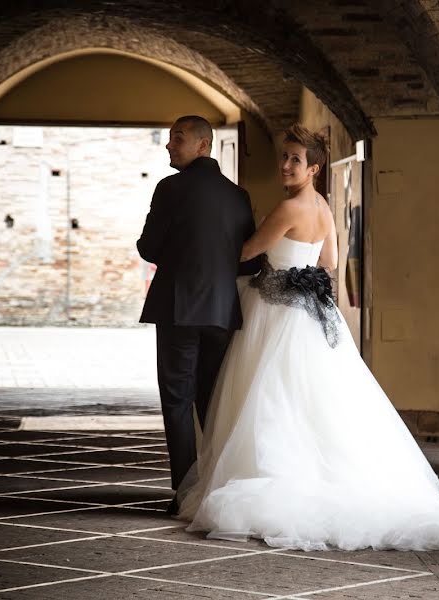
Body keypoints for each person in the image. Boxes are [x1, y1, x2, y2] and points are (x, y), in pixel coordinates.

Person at [175, 124, 439, 551]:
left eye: (296, 160)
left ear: (313, 168)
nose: (286, 166)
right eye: (285, 157)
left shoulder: (288, 209)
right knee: (315, 399)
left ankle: (277, 482)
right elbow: (329, 259)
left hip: (275, 311)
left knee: (272, 398)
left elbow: (246, 252)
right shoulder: (325, 207)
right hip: (312, 312)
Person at [137, 115, 260, 513]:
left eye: (178, 138)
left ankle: (185, 491)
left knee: (176, 398)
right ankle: (215, 486)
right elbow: (247, 263)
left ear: (203, 145)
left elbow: (149, 248)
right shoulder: (238, 196)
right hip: (223, 309)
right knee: (214, 399)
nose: (169, 145)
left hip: (178, 306)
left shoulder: (169, 188)